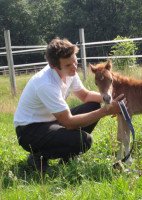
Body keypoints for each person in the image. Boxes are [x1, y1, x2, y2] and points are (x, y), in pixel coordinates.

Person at [14, 38, 124, 172]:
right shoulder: (45, 83)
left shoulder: (70, 72)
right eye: (68, 65)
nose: (74, 66)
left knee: (93, 104)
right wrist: (105, 111)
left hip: (50, 121)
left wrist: (109, 100)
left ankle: (67, 157)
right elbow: (69, 122)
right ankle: (38, 156)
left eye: (75, 60)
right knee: (84, 141)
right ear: (54, 66)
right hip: (29, 130)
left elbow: (85, 95)